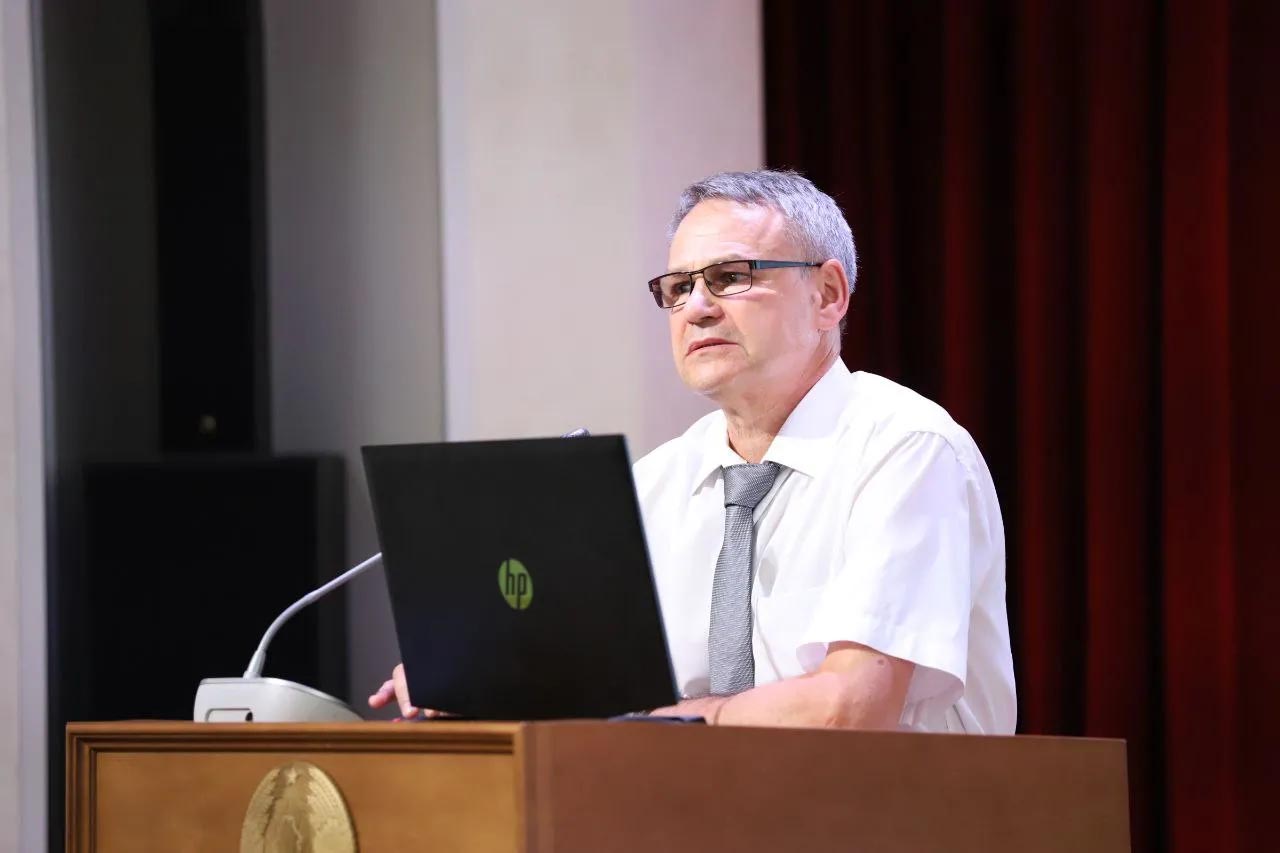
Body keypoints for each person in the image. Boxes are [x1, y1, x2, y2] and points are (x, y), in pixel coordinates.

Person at [370, 169, 1016, 733]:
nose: (696, 308)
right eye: (677, 288)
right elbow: (589, 688)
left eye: (730, 277)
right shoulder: (658, 481)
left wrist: (674, 720)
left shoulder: (906, 448)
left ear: (827, 295)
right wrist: (477, 686)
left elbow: (849, 707)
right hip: (688, 809)